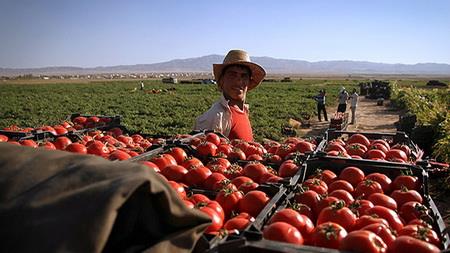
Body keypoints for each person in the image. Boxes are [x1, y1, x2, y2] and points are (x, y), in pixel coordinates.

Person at [193, 49, 266, 141]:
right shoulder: (215, 117)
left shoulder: (243, 111)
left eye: (244, 76)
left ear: (249, 82)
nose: (239, 81)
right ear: (222, 80)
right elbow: (204, 151)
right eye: (232, 75)